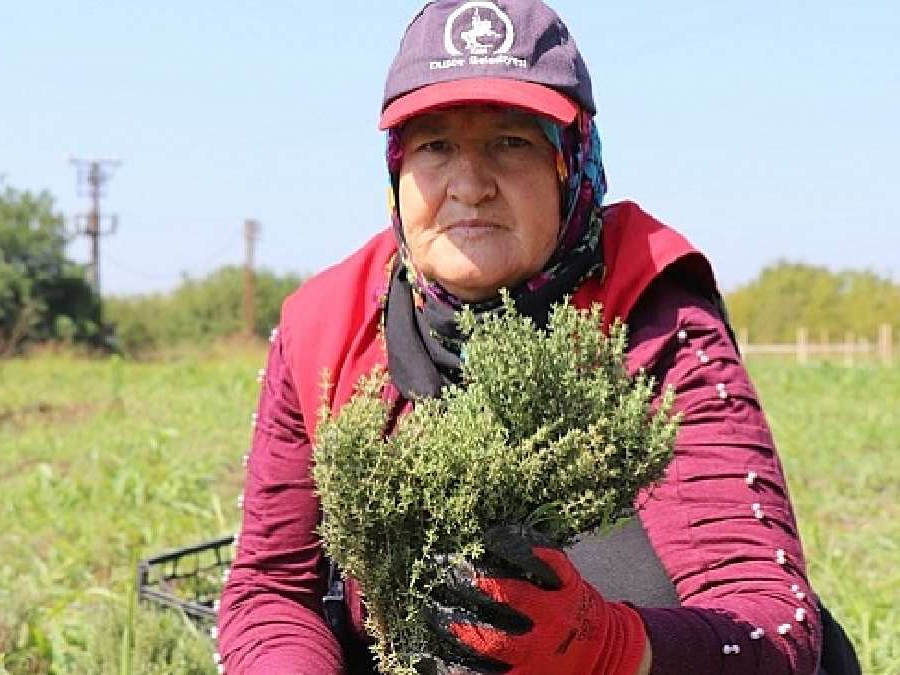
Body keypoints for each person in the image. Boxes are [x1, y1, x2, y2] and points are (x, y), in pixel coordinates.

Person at [218, 1, 859, 673]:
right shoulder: (327, 325)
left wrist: (606, 644)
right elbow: (271, 589)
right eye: (435, 144)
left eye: (511, 142)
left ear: (570, 163)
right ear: (396, 168)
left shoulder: (652, 314)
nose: (470, 186)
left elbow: (769, 618)